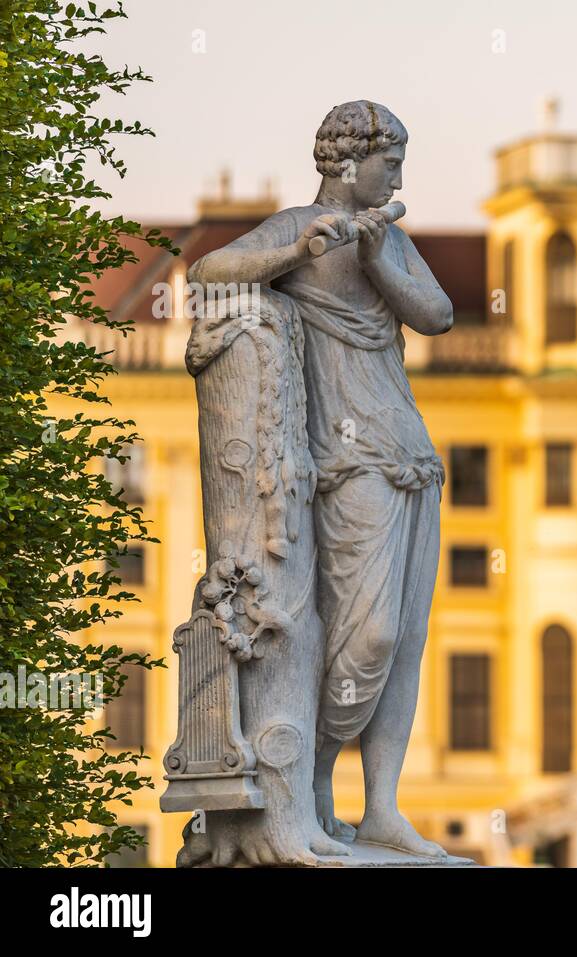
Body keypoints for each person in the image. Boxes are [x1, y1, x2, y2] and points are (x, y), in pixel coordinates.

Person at [190, 101, 455, 860]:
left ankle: (381, 807)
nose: (398, 177)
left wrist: (375, 258)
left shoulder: (390, 239)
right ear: (346, 163)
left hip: (409, 449)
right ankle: (310, 783)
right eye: (390, 164)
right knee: (359, 636)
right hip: (341, 458)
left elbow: (436, 315)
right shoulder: (295, 225)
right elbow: (210, 275)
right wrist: (297, 251)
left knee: (404, 637)